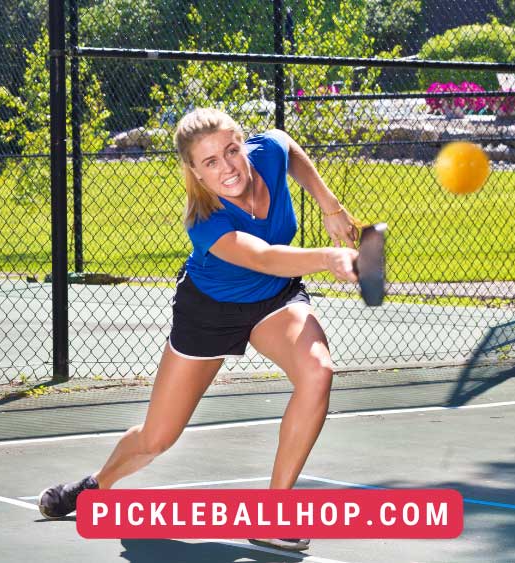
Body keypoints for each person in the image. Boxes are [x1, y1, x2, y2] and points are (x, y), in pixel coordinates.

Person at [38, 107, 362, 552]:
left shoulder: (265, 153)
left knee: (317, 372)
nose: (227, 167)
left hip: (275, 300)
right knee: (158, 437)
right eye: (210, 162)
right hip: (209, 311)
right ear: (194, 170)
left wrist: (331, 206)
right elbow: (264, 256)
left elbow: (288, 147)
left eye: (231, 151)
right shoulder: (204, 219)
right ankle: (96, 486)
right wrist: (329, 257)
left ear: (243, 144)